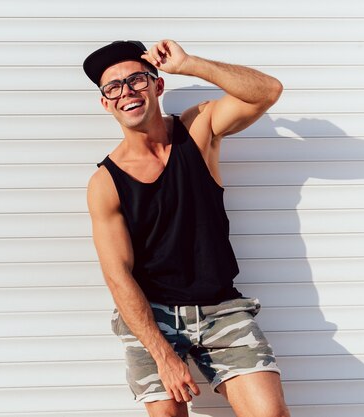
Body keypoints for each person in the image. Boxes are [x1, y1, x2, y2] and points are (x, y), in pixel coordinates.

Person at [83, 40, 290, 417]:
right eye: (113, 87)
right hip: (151, 313)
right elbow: (118, 276)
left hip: (220, 307)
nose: (127, 92)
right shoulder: (105, 182)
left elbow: (267, 92)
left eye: (137, 80)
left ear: (158, 86)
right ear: (106, 103)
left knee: (270, 414)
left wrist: (190, 63)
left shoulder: (198, 129)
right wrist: (163, 356)